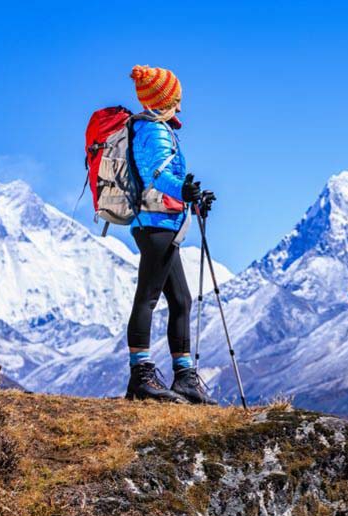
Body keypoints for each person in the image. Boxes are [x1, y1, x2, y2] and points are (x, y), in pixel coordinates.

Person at [124, 64, 217, 404]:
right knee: (148, 296)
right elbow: (158, 174)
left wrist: (191, 195)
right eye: (177, 97)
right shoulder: (155, 131)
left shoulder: (151, 129)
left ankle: (183, 377)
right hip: (155, 224)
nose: (180, 104)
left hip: (159, 223)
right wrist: (183, 190)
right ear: (166, 98)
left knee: (181, 299)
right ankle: (142, 376)